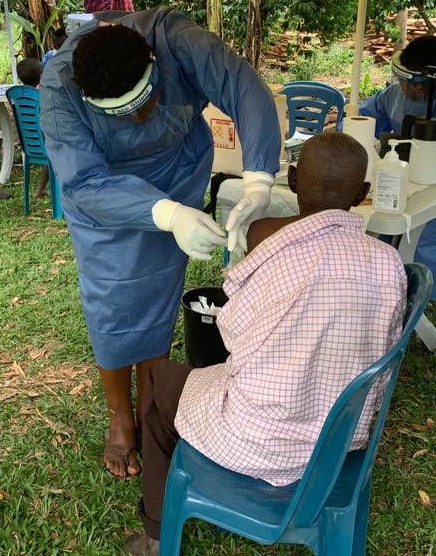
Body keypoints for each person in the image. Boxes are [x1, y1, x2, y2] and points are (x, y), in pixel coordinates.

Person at [125, 132, 408, 556]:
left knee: (161, 379)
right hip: (341, 443)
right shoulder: (388, 264)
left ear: (292, 180)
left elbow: (231, 333)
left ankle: (156, 531)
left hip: (258, 441)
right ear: (363, 194)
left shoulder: (275, 254)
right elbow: (381, 352)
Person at [39, 8, 281, 480]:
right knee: (111, 301)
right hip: (105, 198)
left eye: (146, 101)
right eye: (124, 114)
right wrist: (165, 215)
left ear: (153, 62)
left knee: (159, 295)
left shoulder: (177, 41)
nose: (140, 117)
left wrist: (258, 182)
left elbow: (245, 89)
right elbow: (84, 181)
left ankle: (151, 409)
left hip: (177, 172)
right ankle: (119, 415)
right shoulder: (58, 91)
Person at [359, 33, 436, 319]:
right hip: (401, 182)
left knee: (420, 233)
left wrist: (415, 142)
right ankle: (380, 293)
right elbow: (365, 117)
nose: (406, 88)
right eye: (402, 79)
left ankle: (418, 299)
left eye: (414, 83)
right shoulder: (394, 94)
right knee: (371, 222)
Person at [16, 57, 50, 199]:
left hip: (30, 145)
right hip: (47, 144)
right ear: (42, 76)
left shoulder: (18, 95)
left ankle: (39, 191)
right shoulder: (43, 95)